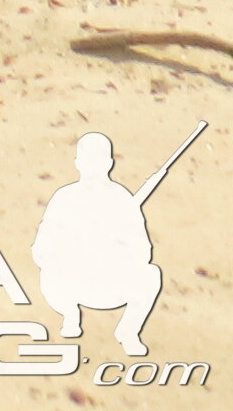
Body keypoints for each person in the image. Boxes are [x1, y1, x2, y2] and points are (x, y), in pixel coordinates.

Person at [33, 132, 166, 357]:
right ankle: (70, 316)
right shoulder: (65, 198)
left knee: (151, 274)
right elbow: (41, 249)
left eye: (98, 160)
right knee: (48, 274)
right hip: (70, 284)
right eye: (88, 160)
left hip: (110, 285)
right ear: (78, 163)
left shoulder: (123, 200)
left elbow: (143, 251)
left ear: (109, 163)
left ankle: (128, 331)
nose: (93, 166)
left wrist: (115, 248)